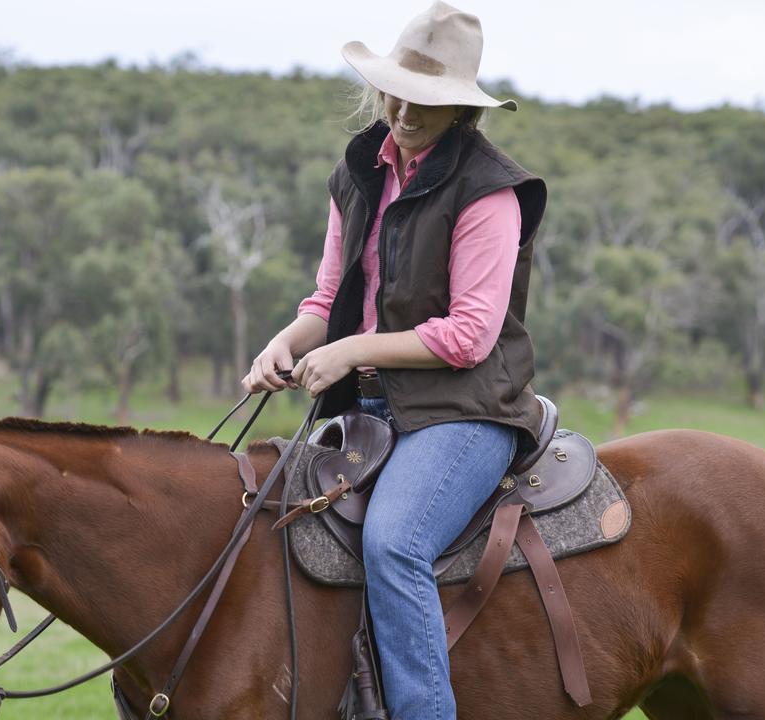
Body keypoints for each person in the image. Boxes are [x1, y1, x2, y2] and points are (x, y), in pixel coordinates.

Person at [240, 2, 548, 718]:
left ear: (461, 109)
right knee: (265, 517)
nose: (404, 108)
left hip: (465, 408)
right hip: (369, 408)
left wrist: (351, 350)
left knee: (393, 543)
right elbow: (329, 297)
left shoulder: (491, 190)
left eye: (427, 99)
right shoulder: (359, 173)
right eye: (395, 89)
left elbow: (470, 335)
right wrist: (286, 341)